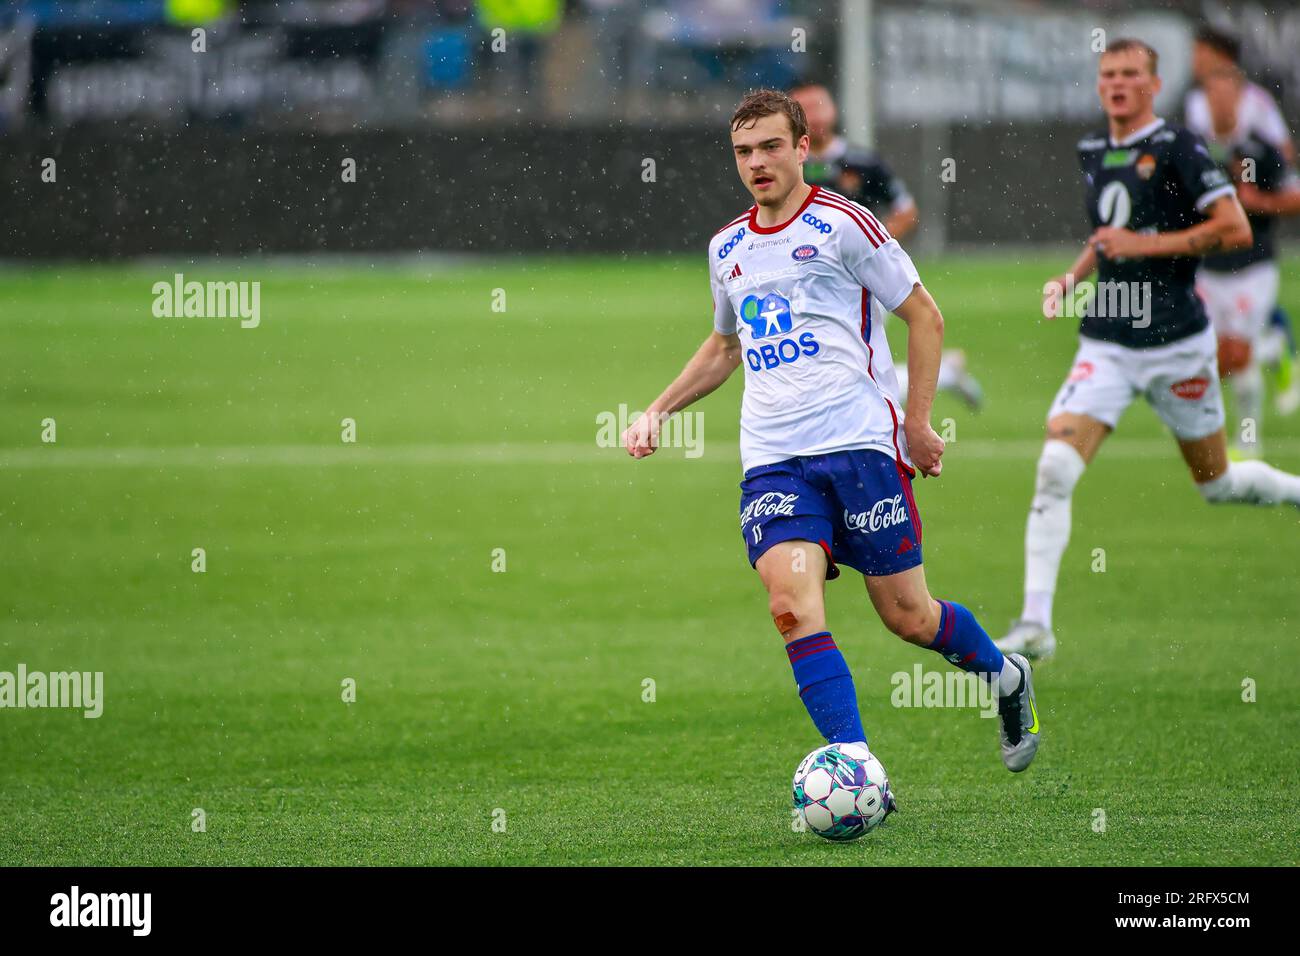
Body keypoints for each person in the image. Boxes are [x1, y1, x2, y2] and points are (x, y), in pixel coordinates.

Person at [621, 89, 1040, 776]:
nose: (757, 163)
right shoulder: (727, 248)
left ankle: (1007, 676)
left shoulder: (847, 225)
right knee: (790, 605)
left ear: (803, 146)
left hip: (859, 446)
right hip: (774, 461)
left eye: (770, 147)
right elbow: (726, 347)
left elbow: (925, 317)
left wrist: (919, 424)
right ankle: (853, 763)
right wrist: (657, 410)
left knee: (908, 616)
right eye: (743, 152)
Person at [997, 39, 1300, 662]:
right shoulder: (1092, 149)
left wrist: (1148, 247)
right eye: (1108, 74)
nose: (1117, 84)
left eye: (1131, 74)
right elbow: (1108, 236)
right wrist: (1071, 279)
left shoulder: (1180, 147)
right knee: (1054, 469)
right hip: (1107, 342)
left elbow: (1233, 229)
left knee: (1216, 484)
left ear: (1153, 85)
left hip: (1179, 346)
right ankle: (1035, 625)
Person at [789, 79, 984, 411]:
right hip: (806, 280)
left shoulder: (863, 162)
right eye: (804, 110)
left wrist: (870, 250)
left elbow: (906, 211)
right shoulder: (789, 165)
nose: (815, 116)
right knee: (831, 370)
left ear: (834, 110)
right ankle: (945, 374)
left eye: (819, 106)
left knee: (836, 370)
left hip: (860, 280)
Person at [1184, 24, 1300, 415]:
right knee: (1212, 349)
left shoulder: (1257, 109)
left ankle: (1270, 347)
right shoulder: (1195, 105)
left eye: (1200, 53)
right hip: (1212, 252)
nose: (1195, 61)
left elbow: (1280, 158)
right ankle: (1272, 344)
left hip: (1250, 248)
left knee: (1235, 349)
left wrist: (1254, 189)